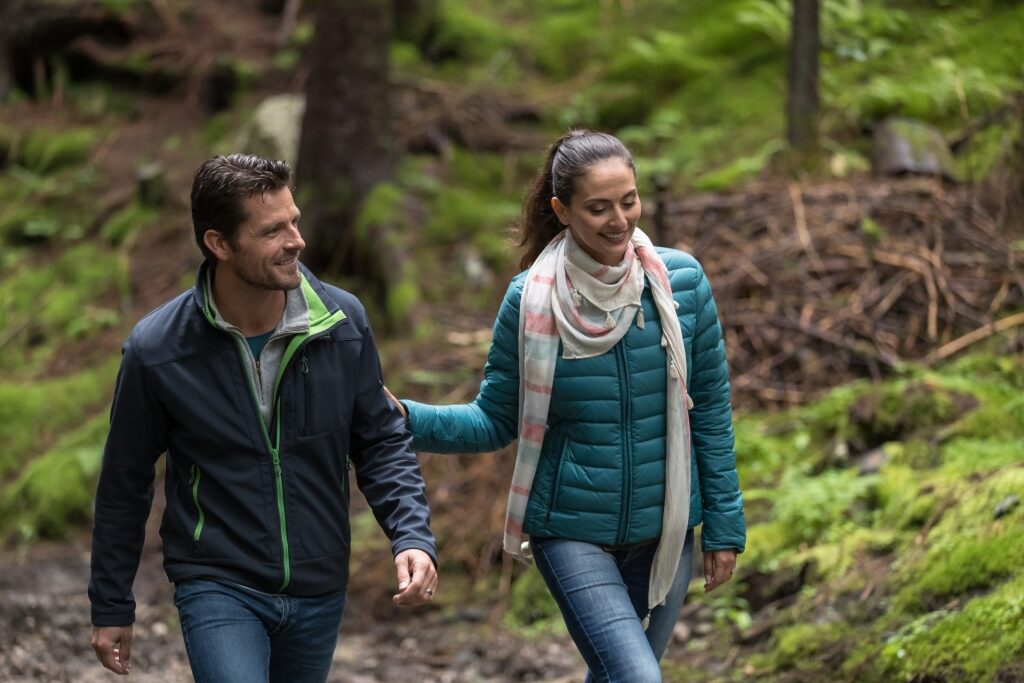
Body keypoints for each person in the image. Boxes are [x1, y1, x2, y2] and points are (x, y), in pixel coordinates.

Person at [389, 130, 745, 682]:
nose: (619, 220)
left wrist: (724, 526)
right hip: (572, 533)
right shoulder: (530, 299)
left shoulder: (682, 283)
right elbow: (494, 420)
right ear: (562, 210)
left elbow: (712, 412)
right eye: (598, 208)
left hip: (668, 531)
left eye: (628, 201)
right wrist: (402, 419)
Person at [88, 153, 438, 683]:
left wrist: (410, 535)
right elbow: (124, 480)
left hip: (319, 584)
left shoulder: (341, 324)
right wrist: (112, 603)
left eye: (294, 221)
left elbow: (380, 441)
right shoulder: (158, 350)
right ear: (220, 243)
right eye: (273, 230)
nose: (297, 240)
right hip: (217, 580)